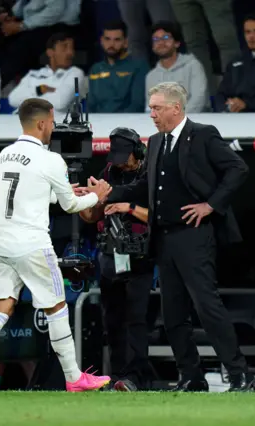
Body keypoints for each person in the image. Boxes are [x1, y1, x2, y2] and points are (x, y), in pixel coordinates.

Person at [95, 81, 254, 392]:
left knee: (207, 306)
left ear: (176, 108)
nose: (151, 113)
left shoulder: (203, 134)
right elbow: (144, 187)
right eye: (151, 107)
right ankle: (191, 377)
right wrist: (108, 191)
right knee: (173, 313)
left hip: (194, 236)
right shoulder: (154, 142)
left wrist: (211, 205)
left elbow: (238, 168)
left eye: (156, 107)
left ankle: (239, 375)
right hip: (163, 238)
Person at [0, 97, 112, 392]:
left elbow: (26, 194)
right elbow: (72, 206)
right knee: (57, 308)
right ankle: (74, 378)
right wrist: (98, 194)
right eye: (52, 121)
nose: (53, 127)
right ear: (43, 122)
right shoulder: (50, 159)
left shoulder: (4, 155)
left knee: (0, 308)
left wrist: (57, 191)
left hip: (0, 243)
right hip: (32, 245)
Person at [79, 127, 153, 392]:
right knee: (112, 319)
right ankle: (119, 376)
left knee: (136, 318)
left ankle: (137, 376)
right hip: (110, 255)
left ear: (138, 152)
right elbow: (91, 217)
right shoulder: (108, 173)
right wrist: (83, 201)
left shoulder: (150, 174)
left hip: (141, 256)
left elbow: (160, 216)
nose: (120, 160)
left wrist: (128, 207)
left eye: (125, 155)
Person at [87, 20, 149, 114]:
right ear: (102, 41)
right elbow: (91, 105)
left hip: (128, 123)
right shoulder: (95, 69)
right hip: (98, 124)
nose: (111, 44)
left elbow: (137, 105)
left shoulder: (139, 66)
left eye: (117, 40)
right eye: (107, 39)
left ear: (126, 42)